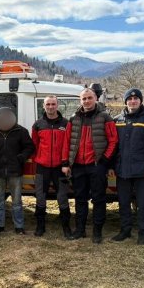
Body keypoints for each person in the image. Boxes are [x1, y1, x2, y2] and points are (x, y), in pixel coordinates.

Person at [62, 88, 118, 243]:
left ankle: (97, 231)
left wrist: (105, 160)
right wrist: (66, 162)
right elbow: (67, 141)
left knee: (98, 199)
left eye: (89, 98)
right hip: (78, 166)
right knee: (80, 199)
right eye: (84, 98)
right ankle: (80, 230)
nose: (86, 101)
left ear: (95, 98)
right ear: (80, 100)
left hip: (96, 165)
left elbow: (113, 140)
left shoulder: (105, 117)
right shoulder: (73, 118)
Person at [112, 88, 144, 245]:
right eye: (130, 99)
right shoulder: (117, 120)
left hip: (143, 171)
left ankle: (143, 233)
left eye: (136, 99)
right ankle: (125, 230)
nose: (133, 101)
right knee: (123, 203)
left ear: (141, 101)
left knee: (143, 204)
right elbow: (113, 146)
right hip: (122, 170)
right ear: (125, 101)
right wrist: (112, 166)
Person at [0, 107, 35, 235]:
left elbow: (30, 147)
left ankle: (19, 226)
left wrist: (22, 157)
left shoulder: (21, 131)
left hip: (15, 171)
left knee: (16, 201)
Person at [32, 96, 72, 239]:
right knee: (40, 197)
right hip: (42, 167)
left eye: (53, 104)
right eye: (48, 104)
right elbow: (35, 145)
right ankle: (40, 226)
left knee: (62, 198)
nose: (50, 107)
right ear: (44, 106)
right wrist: (39, 159)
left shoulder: (66, 124)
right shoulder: (38, 124)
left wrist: (65, 163)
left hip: (59, 168)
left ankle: (66, 227)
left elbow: (68, 145)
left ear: (57, 105)